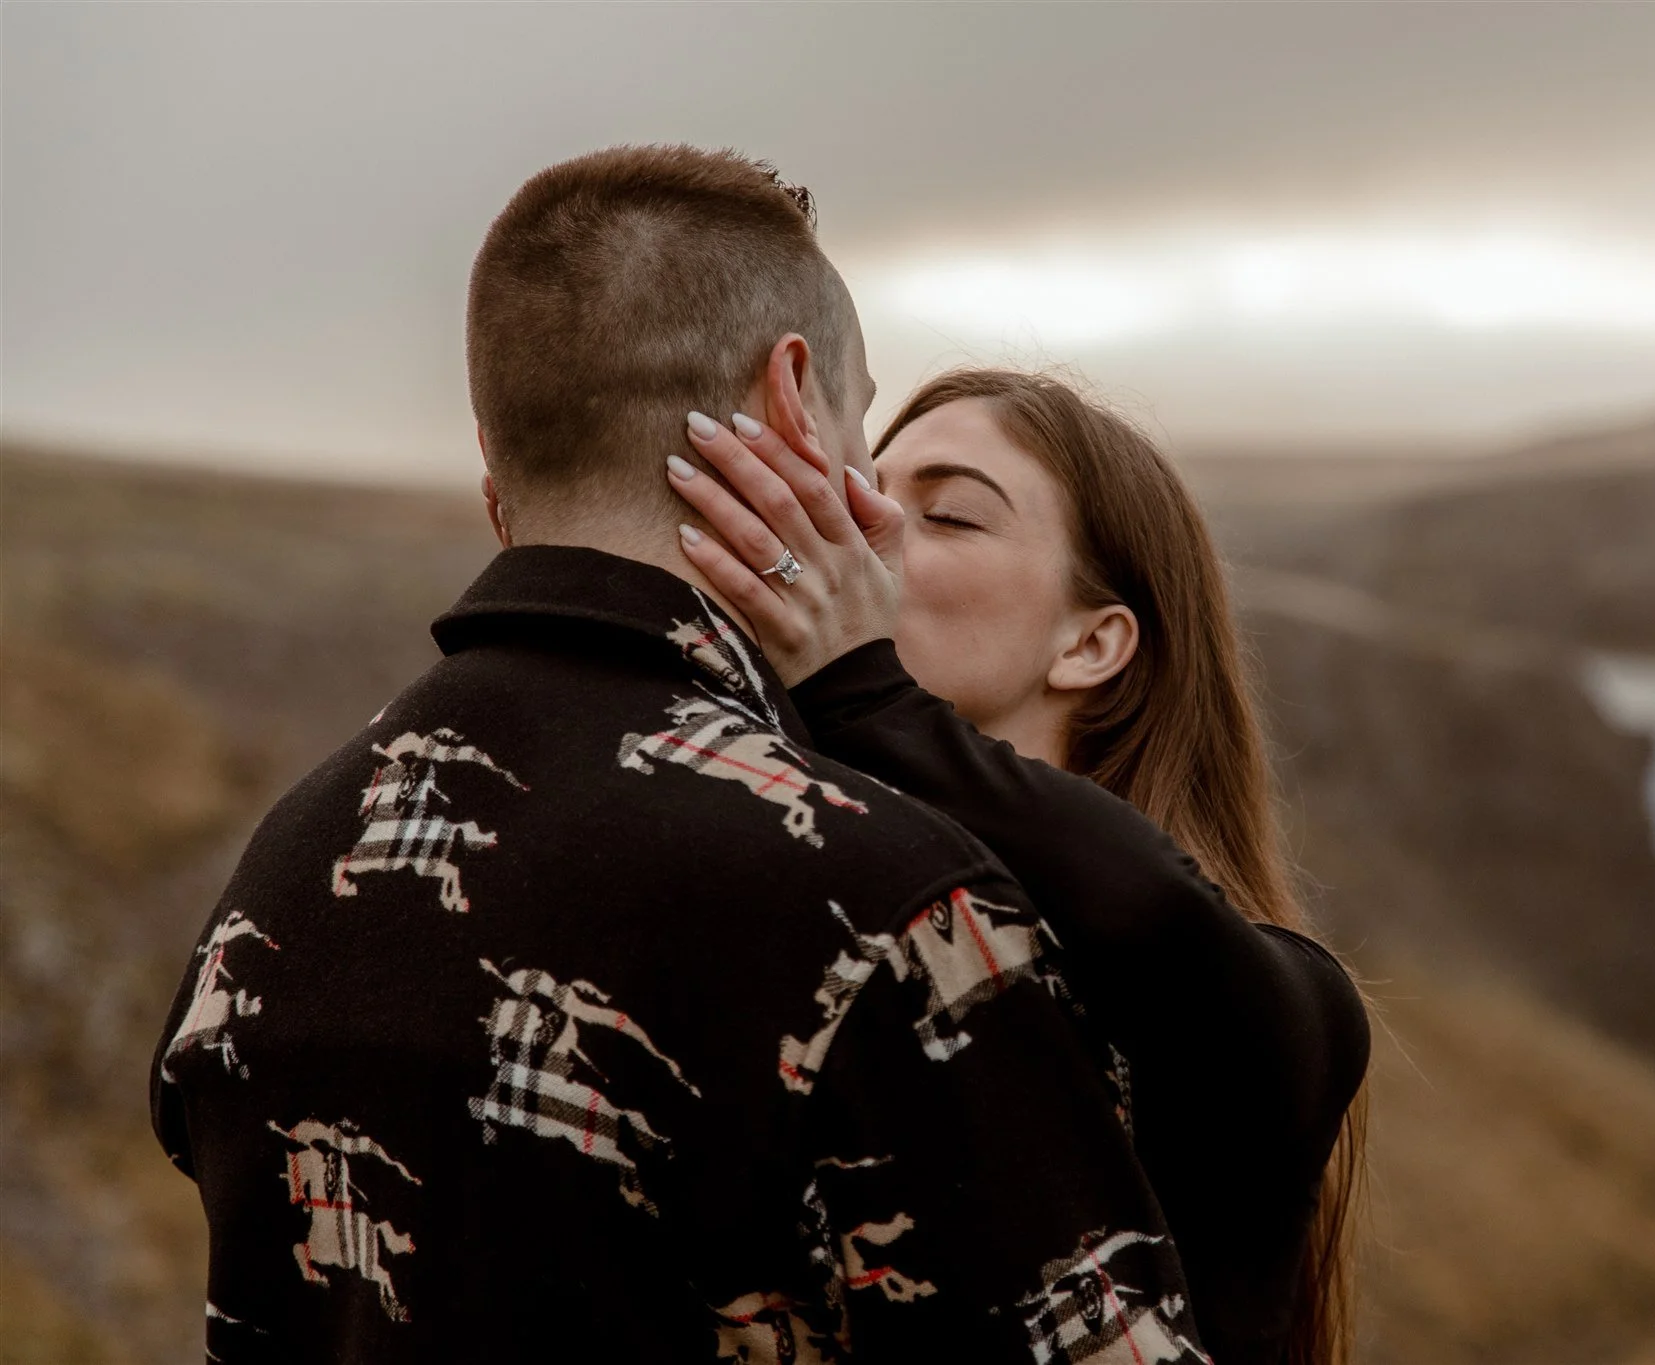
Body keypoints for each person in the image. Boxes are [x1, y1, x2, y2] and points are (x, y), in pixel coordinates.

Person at [149, 145, 1207, 1364]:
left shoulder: (277, 880)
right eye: (862, 423)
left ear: (500, 465)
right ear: (792, 401)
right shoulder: (880, 901)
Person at [663, 371, 1373, 1363]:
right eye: (856, 486)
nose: (857, 526)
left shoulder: (1283, 1012)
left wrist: (857, 693)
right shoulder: (799, 929)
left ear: (1091, 643)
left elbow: (1148, 915)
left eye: (947, 514)